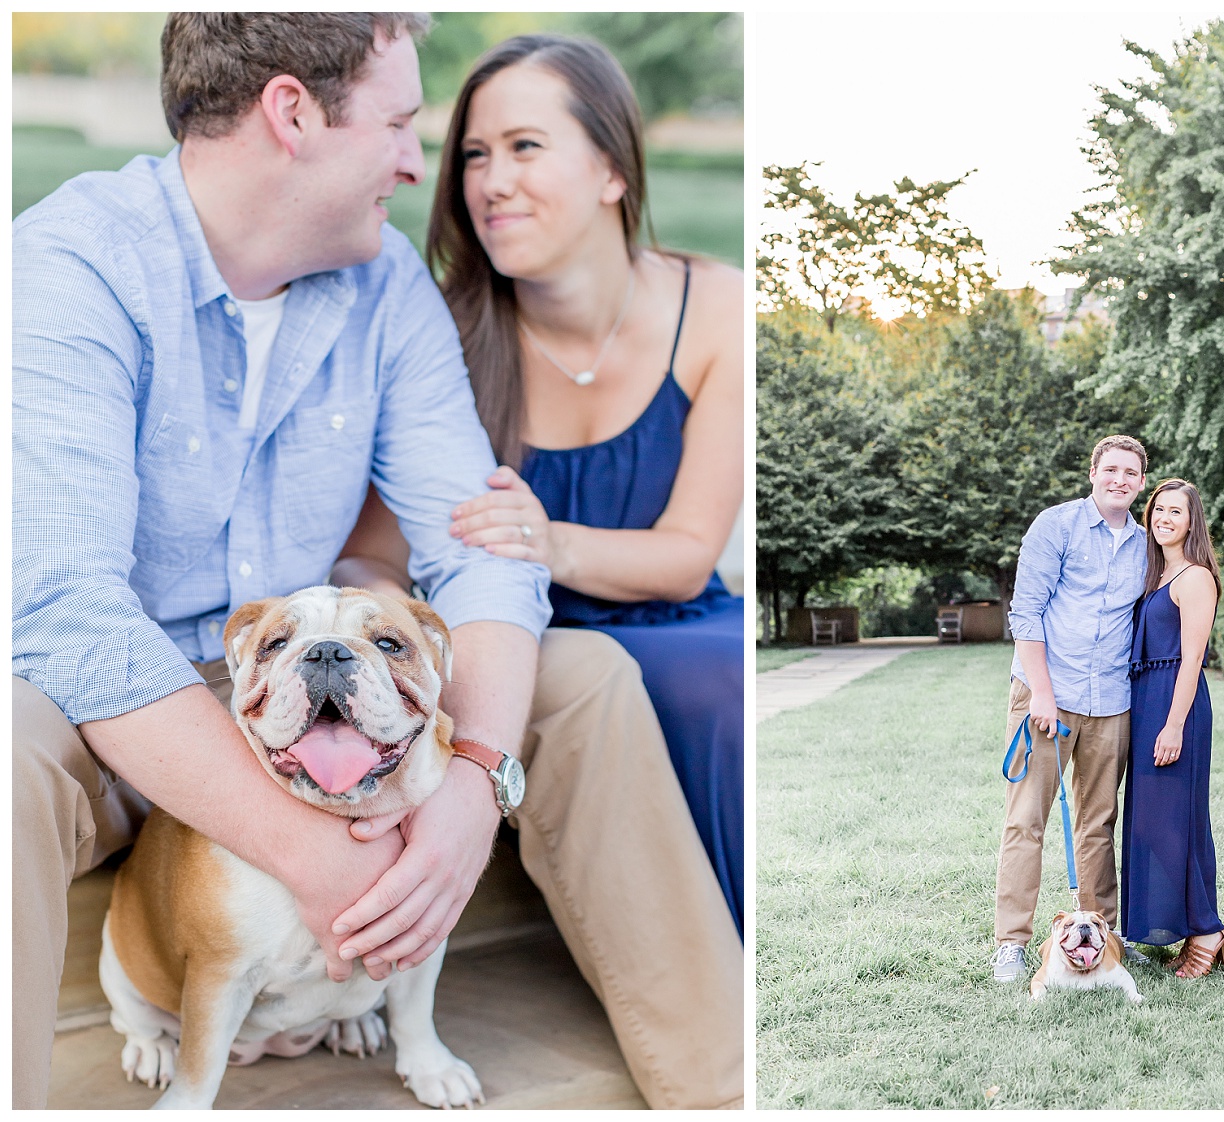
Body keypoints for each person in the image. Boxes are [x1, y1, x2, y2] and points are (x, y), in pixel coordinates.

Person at [12, 13, 740, 1109]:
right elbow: (68, 613)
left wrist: (470, 787)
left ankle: (725, 1088)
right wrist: (313, 857)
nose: (420, 163)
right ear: (292, 115)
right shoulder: (68, 268)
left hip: (331, 678)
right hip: (109, 706)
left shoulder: (385, 282)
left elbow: (481, 552)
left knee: (586, 682)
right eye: (402, 123)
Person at [337, 35, 745, 934]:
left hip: (674, 614)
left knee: (722, 678)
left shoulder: (718, 310)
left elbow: (685, 560)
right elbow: (369, 557)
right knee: (622, 684)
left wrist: (545, 539)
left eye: (525, 147)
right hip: (520, 641)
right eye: (474, 155)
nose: (491, 181)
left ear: (611, 168)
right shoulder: (441, 328)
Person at [991, 434, 1151, 983]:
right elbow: (1026, 613)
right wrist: (1041, 692)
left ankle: (1101, 939)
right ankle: (1012, 942)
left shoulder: (1145, 545)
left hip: (1110, 702)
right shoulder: (1054, 526)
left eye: (1131, 473)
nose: (1120, 480)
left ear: (1141, 482)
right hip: (1046, 698)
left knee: (1097, 824)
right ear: (1093, 473)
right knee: (1026, 822)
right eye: (1111, 469)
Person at [1119, 479, 1224, 978]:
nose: (1164, 517)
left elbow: (1192, 659)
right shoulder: (1154, 574)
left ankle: (1207, 930)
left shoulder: (1195, 578)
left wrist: (1174, 725)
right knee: (1148, 821)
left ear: (1191, 521)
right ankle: (1185, 926)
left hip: (1174, 707)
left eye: (1175, 511)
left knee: (1177, 822)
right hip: (1144, 705)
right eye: (1158, 508)